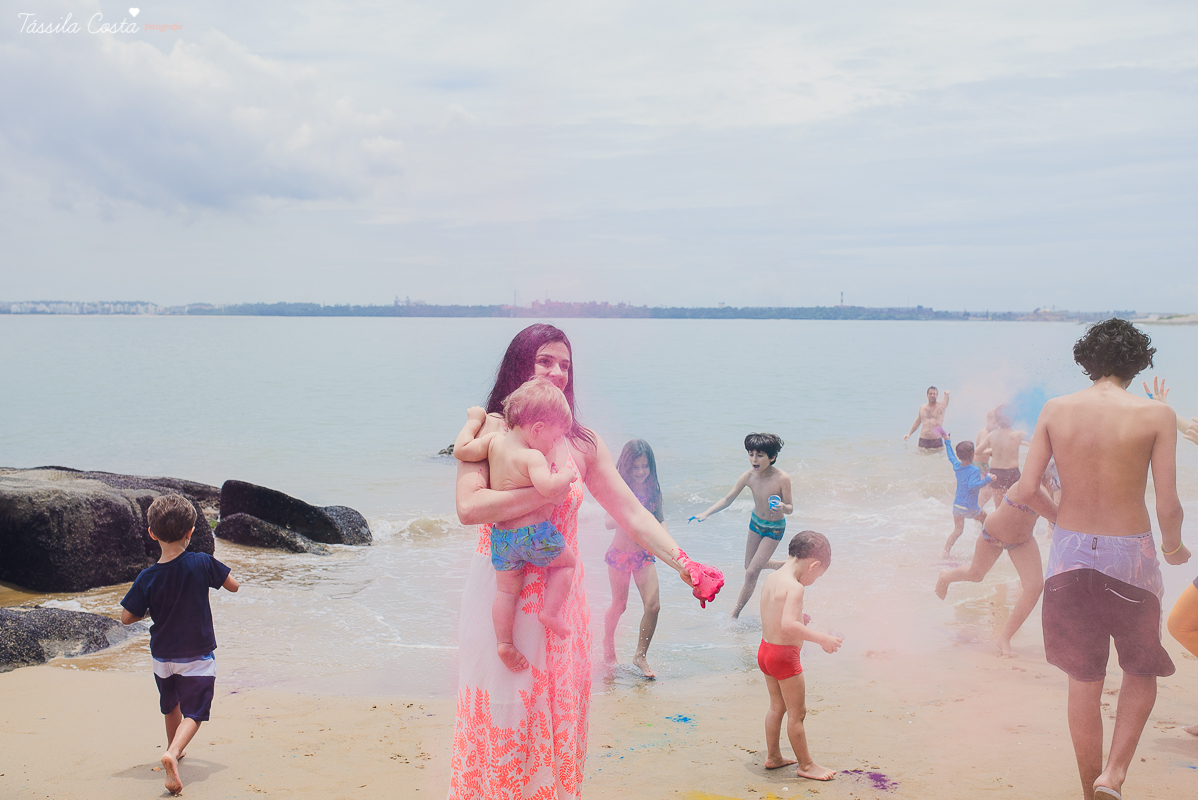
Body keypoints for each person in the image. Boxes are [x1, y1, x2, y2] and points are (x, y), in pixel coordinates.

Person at [448, 324, 723, 800]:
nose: (557, 372)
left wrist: (684, 563)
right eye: (545, 361)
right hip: (503, 597)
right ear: (520, 366)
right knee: (507, 718)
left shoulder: (582, 443)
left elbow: (632, 512)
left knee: (559, 723)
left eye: (565, 365)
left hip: (560, 597)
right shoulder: (493, 431)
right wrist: (542, 493)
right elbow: (469, 509)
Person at [1013, 318, 1190, 800]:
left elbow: (1026, 489)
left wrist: (1056, 519)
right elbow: (1168, 503)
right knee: (1141, 668)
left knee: (1083, 677)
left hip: (1069, 552)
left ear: (1086, 360)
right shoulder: (1156, 415)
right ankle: (1112, 774)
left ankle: (1090, 793)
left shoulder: (1055, 409)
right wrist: (1174, 549)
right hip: (1129, 553)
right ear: (1138, 363)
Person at [453, 378, 579, 671]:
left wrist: (474, 421)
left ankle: (504, 643)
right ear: (537, 429)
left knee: (506, 593)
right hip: (535, 535)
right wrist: (566, 476)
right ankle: (550, 613)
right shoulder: (533, 455)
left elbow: (461, 450)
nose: (552, 445)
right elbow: (548, 489)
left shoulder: (494, 442)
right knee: (566, 564)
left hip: (503, 538)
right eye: (553, 438)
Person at [119, 494, 240, 796]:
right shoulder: (201, 562)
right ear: (190, 532)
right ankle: (173, 753)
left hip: (162, 656)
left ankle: (174, 749)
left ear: (152, 533)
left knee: (170, 703)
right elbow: (234, 585)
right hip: (196, 655)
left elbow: (126, 617)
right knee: (195, 711)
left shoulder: (147, 577)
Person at [935, 475, 1057, 656]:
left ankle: (1004, 638)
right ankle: (945, 577)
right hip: (994, 534)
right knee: (975, 574)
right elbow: (1057, 515)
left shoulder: (1047, 491)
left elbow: (1055, 521)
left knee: (1035, 586)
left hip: (1022, 541)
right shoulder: (1027, 487)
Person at [757, 530, 842, 782]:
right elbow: (789, 626)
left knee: (776, 707)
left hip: (766, 651)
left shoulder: (773, 577)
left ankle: (773, 757)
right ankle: (806, 765)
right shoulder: (795, 587)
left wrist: (799, 620)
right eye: (818, 575)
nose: (814, 580)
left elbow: (776, 616)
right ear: (814, 565)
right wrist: (822, 638)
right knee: (798, 713)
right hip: (784, 658)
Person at [692, 433, 794, 619]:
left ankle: (734, 614)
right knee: (748, 565)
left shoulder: (782, 478)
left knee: (751, 572)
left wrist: (782, 506)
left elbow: (790, 509)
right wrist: (706, 513)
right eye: (751, 454)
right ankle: (780, 565)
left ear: (772, 457)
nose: (754, 459)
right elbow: (727, 499)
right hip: (755, 524)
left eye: (760, 455)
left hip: (774, 528)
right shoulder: (748, 477)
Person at [603, 439, 665, 678]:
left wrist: (672, 550)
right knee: (620, 605)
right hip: (619, 555)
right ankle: (607, 643)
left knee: (654, 605)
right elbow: (608, 523)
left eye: (645, 467)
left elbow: (660, 520)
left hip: (644, 555)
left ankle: (640, 655)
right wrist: (629, 510)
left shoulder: (654, 489)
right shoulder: (619, 489)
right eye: (635, 467)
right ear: (626, 467)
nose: (640, 472)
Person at [939, 431, 995, 559]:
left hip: (958, 507)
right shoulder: (975, 470)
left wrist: (947, 442)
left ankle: (945, 552)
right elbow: (973, 486)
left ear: (959, 456)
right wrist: (988, 480)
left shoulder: (957, 466)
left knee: (958, 531)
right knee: (986, 521)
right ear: (973, 454)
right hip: (971, 508)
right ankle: (987, 547)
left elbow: (950, 456)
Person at [977, 405, 1029, 497]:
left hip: (996, 473)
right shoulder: (1019, 434)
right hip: (1012, 472)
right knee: (1014, 505)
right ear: (1013, 419)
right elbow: (1037, 442)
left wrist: (993, 449)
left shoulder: (991, 435)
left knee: (999, 506)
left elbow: (977, 451)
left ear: (997, 420)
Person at [975, 408, 999, 510]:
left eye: (997, 423)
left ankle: (979, 507)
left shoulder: (992, 434)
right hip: (977, 464)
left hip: (985, 465)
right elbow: (980, 450)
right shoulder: (984, 432)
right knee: (986, 489)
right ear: (987, 420)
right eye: (994, 422)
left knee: (990, 488)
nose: (996, 425)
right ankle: (978, 508)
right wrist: (993, 450)